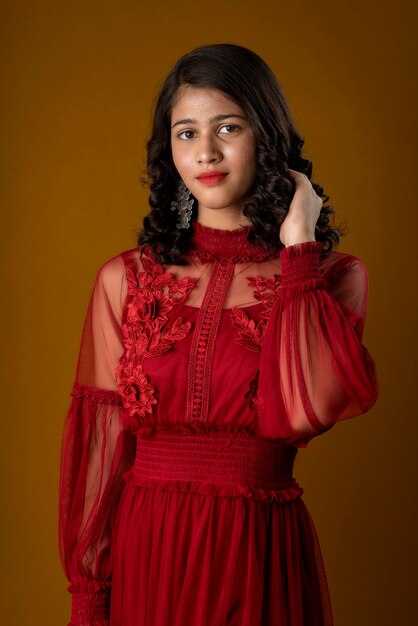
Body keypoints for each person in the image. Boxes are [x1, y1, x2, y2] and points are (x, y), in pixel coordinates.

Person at [58, 43, 379, 626]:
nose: (205, 151)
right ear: (169, 152)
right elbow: (102, 447)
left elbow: (307, 412)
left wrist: (299, 246)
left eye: (227, 127)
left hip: (256, 548)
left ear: (266, 137)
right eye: (186, 133)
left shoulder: (331, 278)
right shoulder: (124, 279)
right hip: (147, 549)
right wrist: (91, 594)